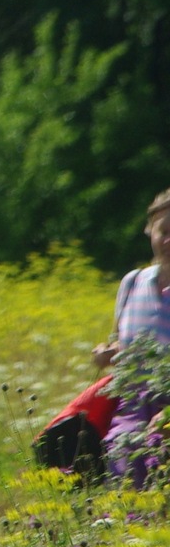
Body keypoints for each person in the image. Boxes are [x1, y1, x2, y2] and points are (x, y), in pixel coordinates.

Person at [90, 188, 170, 479]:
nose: (168, 241)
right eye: (164, 231)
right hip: (131, 415)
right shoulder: (132, 283)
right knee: (126, 494)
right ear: (150, 232)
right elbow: (119, 344)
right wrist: (106, 354)